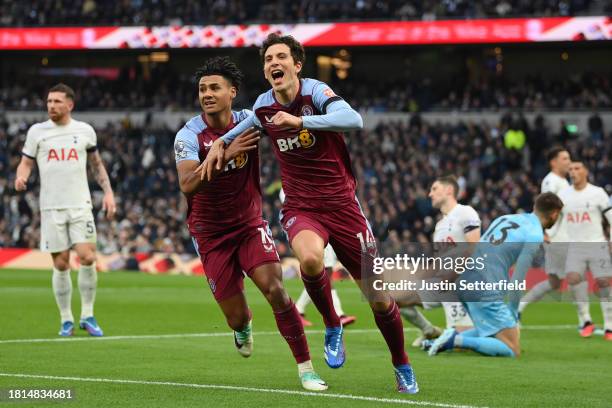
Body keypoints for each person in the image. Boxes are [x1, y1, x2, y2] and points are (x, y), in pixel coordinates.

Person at [197, 34, 418, 394]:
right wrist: (221, 142)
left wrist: (301, 123)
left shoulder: (315, 92)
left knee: (379, 299)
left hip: (344, 207)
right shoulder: (264, 106)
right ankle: (333, 324)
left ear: (297, 65)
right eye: (268, 59)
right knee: (311, 261)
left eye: (281, 56)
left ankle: (402, 364)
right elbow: (246, 126)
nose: (273, 63)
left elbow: (354, 119)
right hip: (302, 206)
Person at [173, 57, 327, 391]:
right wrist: (226, 154)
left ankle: (307, 369)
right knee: (236, 317)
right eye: (202, 89)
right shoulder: (188, 135)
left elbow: (288, 122)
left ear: (233, 92)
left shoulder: (250, 120)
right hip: (210, 235)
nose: (207, 94)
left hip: (249, 225)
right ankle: (243, 327)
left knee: (276, 291)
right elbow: (187, 184)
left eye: (215, 88)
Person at [15, 83, 116, 337]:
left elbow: (97, 165)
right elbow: (25, 163)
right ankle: (66, 319)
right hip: (51, 207)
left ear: (70, 104)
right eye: (49, 101)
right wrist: (21, 177)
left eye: (57, 101)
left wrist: (108, 192)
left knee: (88, 256)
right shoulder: (37, 132)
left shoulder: (84, 131)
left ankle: (88, 315)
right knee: (60, 263)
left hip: (80, 204)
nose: (52, 106)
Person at [427, 192, 564, 357]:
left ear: (535, 207)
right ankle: (454, 340)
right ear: (555, 214)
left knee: (490, 329)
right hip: (484, 284)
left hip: (465, 278)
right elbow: (518, 278)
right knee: (512, 348)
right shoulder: (534, 235)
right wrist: (513, 314)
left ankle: (445, 339)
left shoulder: (506, 218)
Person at [518, 147, 593, 332]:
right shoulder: (551, 182)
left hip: (565, 236)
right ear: (554, 162)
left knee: (555, 282)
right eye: (565, 158)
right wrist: (543, 231)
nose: (569, 162)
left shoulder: (563, 182)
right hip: (558, 238)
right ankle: (585, 321)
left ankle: (517, 309)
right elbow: (543, 207)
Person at [400, 176, 480, 347]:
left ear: (449, 190)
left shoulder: (465, 212)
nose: (430, 194)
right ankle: (429, 331)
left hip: (464, 284)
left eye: (434, 189)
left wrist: (451, 275)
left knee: (461, 344)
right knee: (397, 298)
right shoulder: (440, 226)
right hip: (444, 284)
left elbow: (475, 248)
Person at [557, 160, 612, 340]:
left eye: (577, 168)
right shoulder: (563, 195)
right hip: (574, 247)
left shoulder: (598, 193)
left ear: (586, 171)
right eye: (571, 169)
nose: (573, 171)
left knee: (604, 284)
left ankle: (609, 327)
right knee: (574, 282)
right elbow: (557, 222)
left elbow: (611, 218)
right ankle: (586, 321)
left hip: (597, 244)